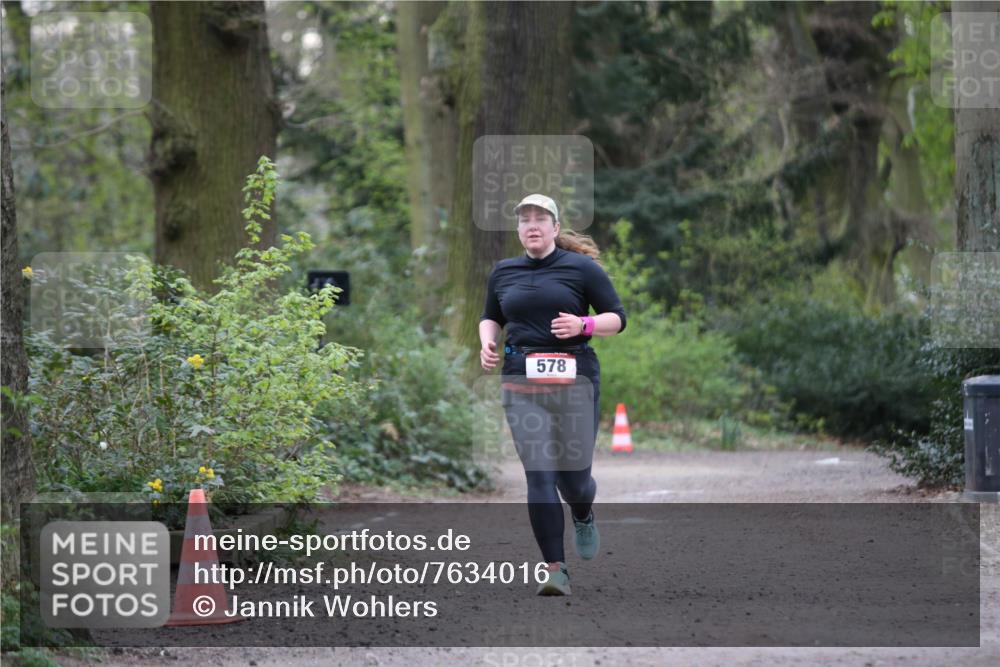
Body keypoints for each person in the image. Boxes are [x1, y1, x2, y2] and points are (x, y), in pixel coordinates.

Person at [478, 193, 627, 596]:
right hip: (521, 380)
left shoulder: (580, 268)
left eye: (540, 218)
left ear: (555, 228)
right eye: (524, 219)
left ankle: (582, 510)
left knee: (574, 480)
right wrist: (487, 342)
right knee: (539, 475)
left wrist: (583, 324)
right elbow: (491, 316)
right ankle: (554, 569)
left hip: (575, 378)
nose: (532, 225)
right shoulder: (503, 272)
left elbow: (618, 318)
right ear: (519, 229)